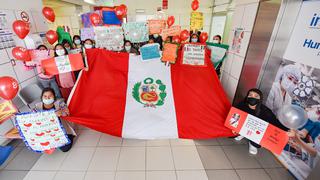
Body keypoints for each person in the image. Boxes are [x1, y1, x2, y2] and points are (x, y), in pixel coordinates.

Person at [234, 88, 288, 155]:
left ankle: (253, 143)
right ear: (247, 97)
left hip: (256, 131)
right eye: (250, 95)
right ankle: (242, 133)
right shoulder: (241, 105)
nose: (252, 97)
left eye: (256, 96)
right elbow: (233, 116)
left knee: (257, 143)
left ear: (260, 99)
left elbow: (275, 122)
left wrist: (287, 130)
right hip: (243, 126)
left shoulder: (265, 111)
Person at [34, 87, 75, 152]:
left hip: (62, 129)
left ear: (54, 97)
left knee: (65, 149)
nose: (47, 98)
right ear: (42, 97)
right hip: (48, 130)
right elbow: (33, 117)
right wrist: (52, 114)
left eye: (50, 96)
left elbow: (67, 114)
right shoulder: (37, 106)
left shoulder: (59, 103)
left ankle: (68, 137)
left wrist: (61, 112)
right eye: (45, 96)